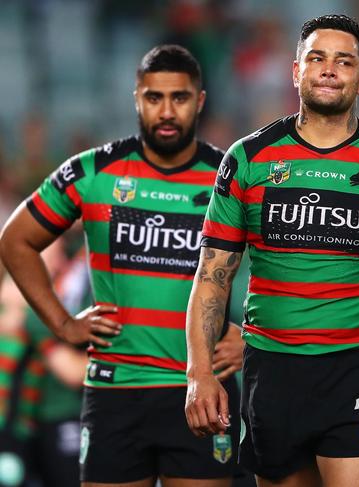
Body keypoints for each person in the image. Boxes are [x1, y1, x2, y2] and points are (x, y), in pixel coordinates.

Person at [184, 14, 359, 487]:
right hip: (272, 371)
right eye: (317, 58)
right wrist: (199, 372)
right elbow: (212, 274)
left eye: (344, 61)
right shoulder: (247, 159)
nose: (329, 69)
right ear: (295, 71)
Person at [0, 44, 241, 487]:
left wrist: (253, 337)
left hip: (202, 389)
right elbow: (16, 241)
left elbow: (286, 264)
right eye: (154, 98)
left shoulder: (230, 177)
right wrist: (62, 324)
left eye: (180, 98)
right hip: (116, 390)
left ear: (200, 101)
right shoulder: (94, 172)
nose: (166, 111)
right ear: (137, 98)